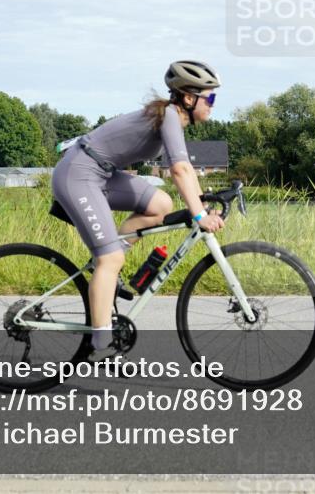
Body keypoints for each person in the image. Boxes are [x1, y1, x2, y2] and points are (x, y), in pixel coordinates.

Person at [51, 60, 225, 361]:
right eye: (209, 98)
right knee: (110, 258)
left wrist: (203, 204)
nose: (213, 104)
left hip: (100, 174)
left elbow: (186, 169)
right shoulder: (169, 116)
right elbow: (180, 170)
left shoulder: (172, 118)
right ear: (188, 97)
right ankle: (101, 347)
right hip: (78, 174)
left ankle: (105, 271)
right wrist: (199, 215)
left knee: (161, 205)